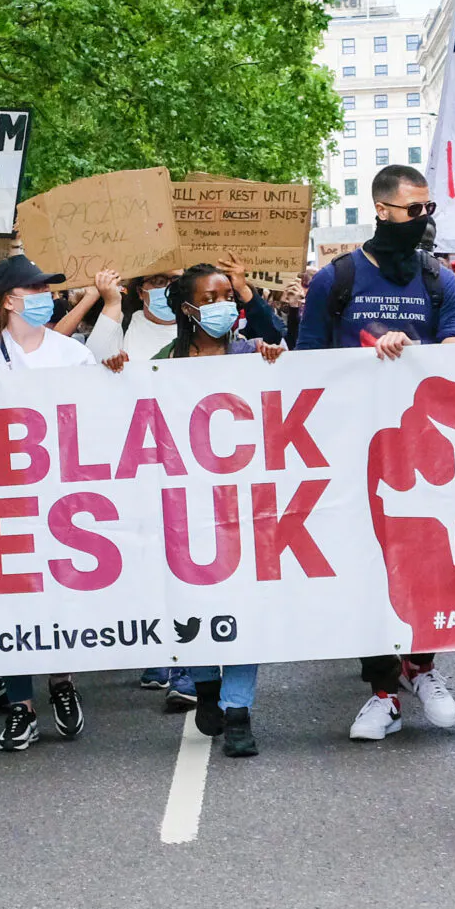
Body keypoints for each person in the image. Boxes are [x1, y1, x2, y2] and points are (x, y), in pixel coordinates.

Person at [296, 164, 455, 742]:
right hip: (354, 449)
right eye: (413, 210)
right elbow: (309, 363)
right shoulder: (337, 279)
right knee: (370, 567)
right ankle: (381, 691)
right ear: (382, 211)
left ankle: (422, 668)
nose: (424, 220)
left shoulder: (438, 279)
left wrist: (422, 350)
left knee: (424, 560)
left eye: (429, 209)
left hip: (424, 448)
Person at [0, 254, 126, 748]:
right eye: (36, 291)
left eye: (47, 291)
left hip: (63, 496)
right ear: (9, 300)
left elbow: (99, 410)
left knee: (61, 591)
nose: (46, 299)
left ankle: (62, 684)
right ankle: (20, 705)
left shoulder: (69, 353)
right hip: (6, 498)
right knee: (13, 600)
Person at [154, 264, 285, 758]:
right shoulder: (161, 364)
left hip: (246, 506)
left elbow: (279, 348)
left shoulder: (253, 353)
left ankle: (238, 710)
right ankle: (206, 680)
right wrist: (117, 372)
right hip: (187, 508)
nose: (223, 305)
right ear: (188, 309)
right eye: (211, 297)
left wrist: (274, 359)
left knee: (245, 609)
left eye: (228, 295)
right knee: (198, 607)